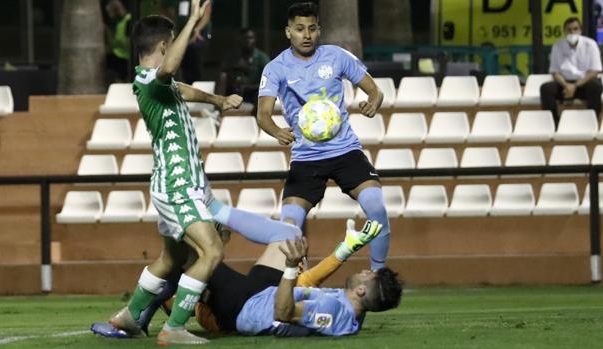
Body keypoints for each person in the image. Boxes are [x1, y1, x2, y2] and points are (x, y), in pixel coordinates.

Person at [109, 1, 305, 344]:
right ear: (166, 45)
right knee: (211, 252)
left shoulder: (154, 83)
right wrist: (192, 22)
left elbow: (179, 88)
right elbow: (169, 72)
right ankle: (174, 329)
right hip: (177, 185)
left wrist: (216, 101)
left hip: (180, 184)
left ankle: (129, 316)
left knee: (171, 259)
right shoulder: (151, 79)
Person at [93, 219, 403, 337]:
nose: (365, 269)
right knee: (288, 234)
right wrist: (344, 249)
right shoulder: (351, 313)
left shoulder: (335, 313)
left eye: (369, 274)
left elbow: (283, 313)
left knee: (185, 251)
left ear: (362, 290)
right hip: (262, 293)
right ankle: (219, 226)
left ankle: (136, 316)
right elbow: (306, 288)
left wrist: (291, 269)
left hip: (246, 308)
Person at [256, 2, 390, 271]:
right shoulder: (275, 68)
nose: (306, 35)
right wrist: (277, 131)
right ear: (288, 32)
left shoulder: (336, 56)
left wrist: (372, 102)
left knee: (376, 206)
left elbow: (374, 90)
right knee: (289, 223)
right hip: (306, 157)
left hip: (345, 151)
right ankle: (295, 277)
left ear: (319, 30)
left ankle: (378, 275)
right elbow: (263, 114)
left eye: (312, 28)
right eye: (300, 29)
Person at [540, 17, 603, 126]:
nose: (572, 32)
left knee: (596, 87)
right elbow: (555, 72)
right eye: (569, 29)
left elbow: (595, 71)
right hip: (565, 85)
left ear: (580, 30)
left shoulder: (591, 44)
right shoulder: (557, 46)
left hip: (584, 83)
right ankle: (554, 124)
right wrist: (567, 85)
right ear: (564, 31)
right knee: (546, 89)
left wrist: (575, 86)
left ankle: (592, 122)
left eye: (575, 29)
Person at [216, 28, 270, 113]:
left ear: (255, 40)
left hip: (252, 91)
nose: (248, 41)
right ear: (239, 40)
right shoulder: (232, 56)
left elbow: (269, 82)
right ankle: (217, 112)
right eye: (245, 38)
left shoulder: (262, 58)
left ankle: (257, 120)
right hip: (234, 91)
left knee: (261, 95)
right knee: (222, 77)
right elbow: (222, 70)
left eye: (251, 38)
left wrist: (250, 87)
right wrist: (234, 68)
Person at [159, 0, 212, 84]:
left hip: (198, 36)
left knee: (195, 65)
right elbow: (164, 9)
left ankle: (196, 88)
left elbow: (207, 12)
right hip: (181, 34)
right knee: (183, 66)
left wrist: (197, 29)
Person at [104, 0, 132, 82]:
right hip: (118, 53)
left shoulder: (128, 20)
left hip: (124, 55)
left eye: (110, 12)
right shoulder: (119, 22)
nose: (109, 15)